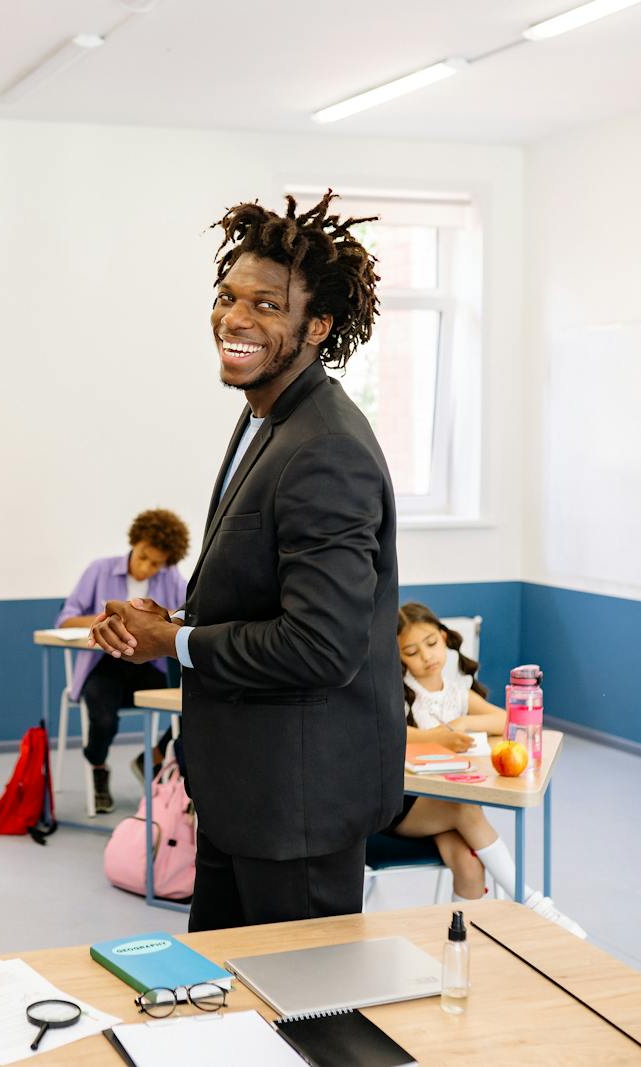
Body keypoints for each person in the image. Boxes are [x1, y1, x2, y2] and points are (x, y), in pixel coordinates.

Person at [91, 192, 401, 932]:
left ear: (316, 326)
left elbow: (322, 645)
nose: (236, 317)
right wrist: (168, 620)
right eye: (230, 296)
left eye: (267, 304)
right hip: (241, 791)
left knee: (308, 1023)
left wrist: (179, 643)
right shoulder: (267, 412)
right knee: (225, 999)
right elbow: (263, 589)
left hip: (297, 802)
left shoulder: (325, 446)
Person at [385, 602, 586, 937]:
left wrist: (462, 721)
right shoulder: (399, 695)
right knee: (464, 806)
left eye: (431, 644)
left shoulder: (457, 692)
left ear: (445, 638)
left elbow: (506, 719)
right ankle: (530, 901)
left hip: (439, 804)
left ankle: (459, 947)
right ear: (399, 657)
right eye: (411, 651)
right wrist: (439, 737)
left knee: (469, 863)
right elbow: (396, 736)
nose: (426, 656)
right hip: (399, 807)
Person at [56, 509, 190, 812]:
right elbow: (65, 620)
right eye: (143, 556)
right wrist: (111, 621)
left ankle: (153, 757)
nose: (147, 567)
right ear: (135, 543)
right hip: (103, 667)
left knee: (191, 703)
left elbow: (188, 617)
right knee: (102, 720)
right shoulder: (99, 571)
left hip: (148, 667)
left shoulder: (172, 579)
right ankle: (98, 766)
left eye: (156, 564)